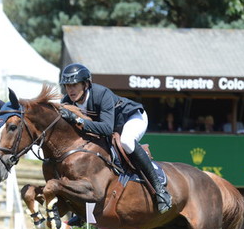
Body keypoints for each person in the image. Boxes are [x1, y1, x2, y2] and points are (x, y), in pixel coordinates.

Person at [58, 63, 172, 213]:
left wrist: (77, 120)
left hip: (131, 118)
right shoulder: (67, 102)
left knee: (126, 141)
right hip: (110, 126)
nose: (70, 90)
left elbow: (106, 128)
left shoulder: (101, 94)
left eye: (74, 85)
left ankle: (160, 190)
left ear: (85, 84)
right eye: (67, 86)